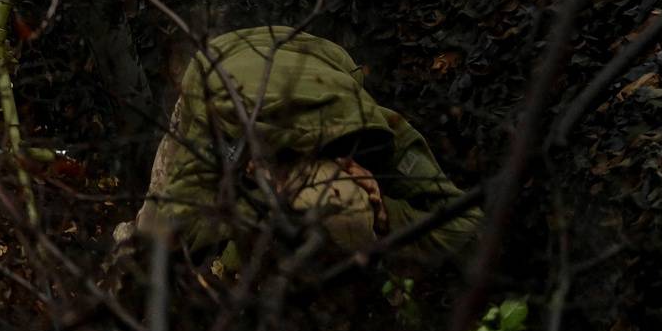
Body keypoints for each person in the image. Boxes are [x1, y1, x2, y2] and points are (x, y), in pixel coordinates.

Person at [117, 26, 479, 271]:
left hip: (322, 62)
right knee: (146, 244)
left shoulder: (377, 131)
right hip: (220, 78)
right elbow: (169, 235)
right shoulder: (222, 129)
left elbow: (467, 227)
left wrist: (385, 212)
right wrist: (250, 218)